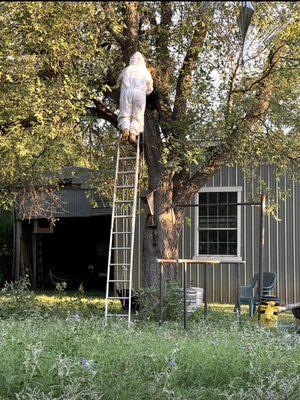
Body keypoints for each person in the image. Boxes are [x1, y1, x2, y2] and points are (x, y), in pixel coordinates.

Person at [117, 52, 153, 145]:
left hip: (126, 92)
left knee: (125, 112)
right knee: (138, 115)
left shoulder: (127, 69)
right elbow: (150, 88)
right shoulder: (145, 72)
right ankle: (133, 133)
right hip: (139, 93)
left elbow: (119, 80)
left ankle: (125, 129)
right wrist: (147, 92)